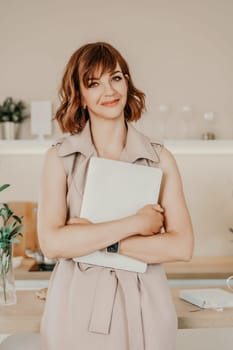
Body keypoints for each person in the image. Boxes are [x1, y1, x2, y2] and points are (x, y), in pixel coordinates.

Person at [38, 42, 194, 350]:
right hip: (75, 306)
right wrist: (138, 222)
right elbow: (53, 244)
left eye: (116, 77)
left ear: (128, 83)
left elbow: (182, 245)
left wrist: (100, 242)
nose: (109, 91)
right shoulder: (60, 158)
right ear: (80, 96)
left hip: (145, 303)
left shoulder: (159, 158)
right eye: (93, 83)